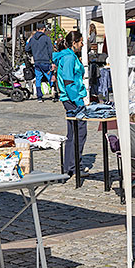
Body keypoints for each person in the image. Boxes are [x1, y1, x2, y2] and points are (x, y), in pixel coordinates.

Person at [53, 31, 87, 176]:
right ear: (74, 43)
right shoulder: (68, 58)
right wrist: (78, 101)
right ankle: (74, 165)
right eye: (81, 42)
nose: (82, 44)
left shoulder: (70, 56)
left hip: (71, 98)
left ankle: (71, 166)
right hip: (71, 99)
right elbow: (68, 81)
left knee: (73, 133)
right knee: (79, 133)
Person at [26, 25, 55, 102]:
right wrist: (52, 61)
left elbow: (27, 49)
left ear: (37, 29)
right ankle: (53, 93)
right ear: (44, 29)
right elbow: (50, 50)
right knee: (50, 77)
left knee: (38, 79)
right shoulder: (46, 38)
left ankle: (39, 97)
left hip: (37, 62)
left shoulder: (32, 39)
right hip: (45, 61)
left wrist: (33, 53)